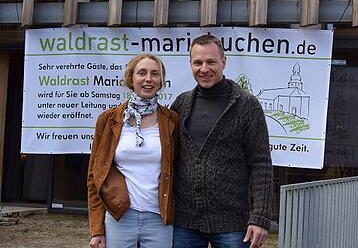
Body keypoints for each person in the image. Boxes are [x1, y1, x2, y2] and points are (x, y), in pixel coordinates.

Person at [172, 34, 273, 248]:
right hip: (185, 222)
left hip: (233, 224)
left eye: (211, 61)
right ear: (190, 64)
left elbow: (261, 164)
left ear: (224, 62)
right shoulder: (181, 104)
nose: (204, 68)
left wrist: (260, 217)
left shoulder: (247, 106)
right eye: (197, 62)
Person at [87, 54, 179, 248]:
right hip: (119, 216)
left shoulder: (171, 120)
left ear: (161, 81)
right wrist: (96, 230)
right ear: (131, 79)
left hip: (158, 218)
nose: (148, 79)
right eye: (142, 73)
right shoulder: (108, 119)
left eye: (155, 74)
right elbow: (94, 176)